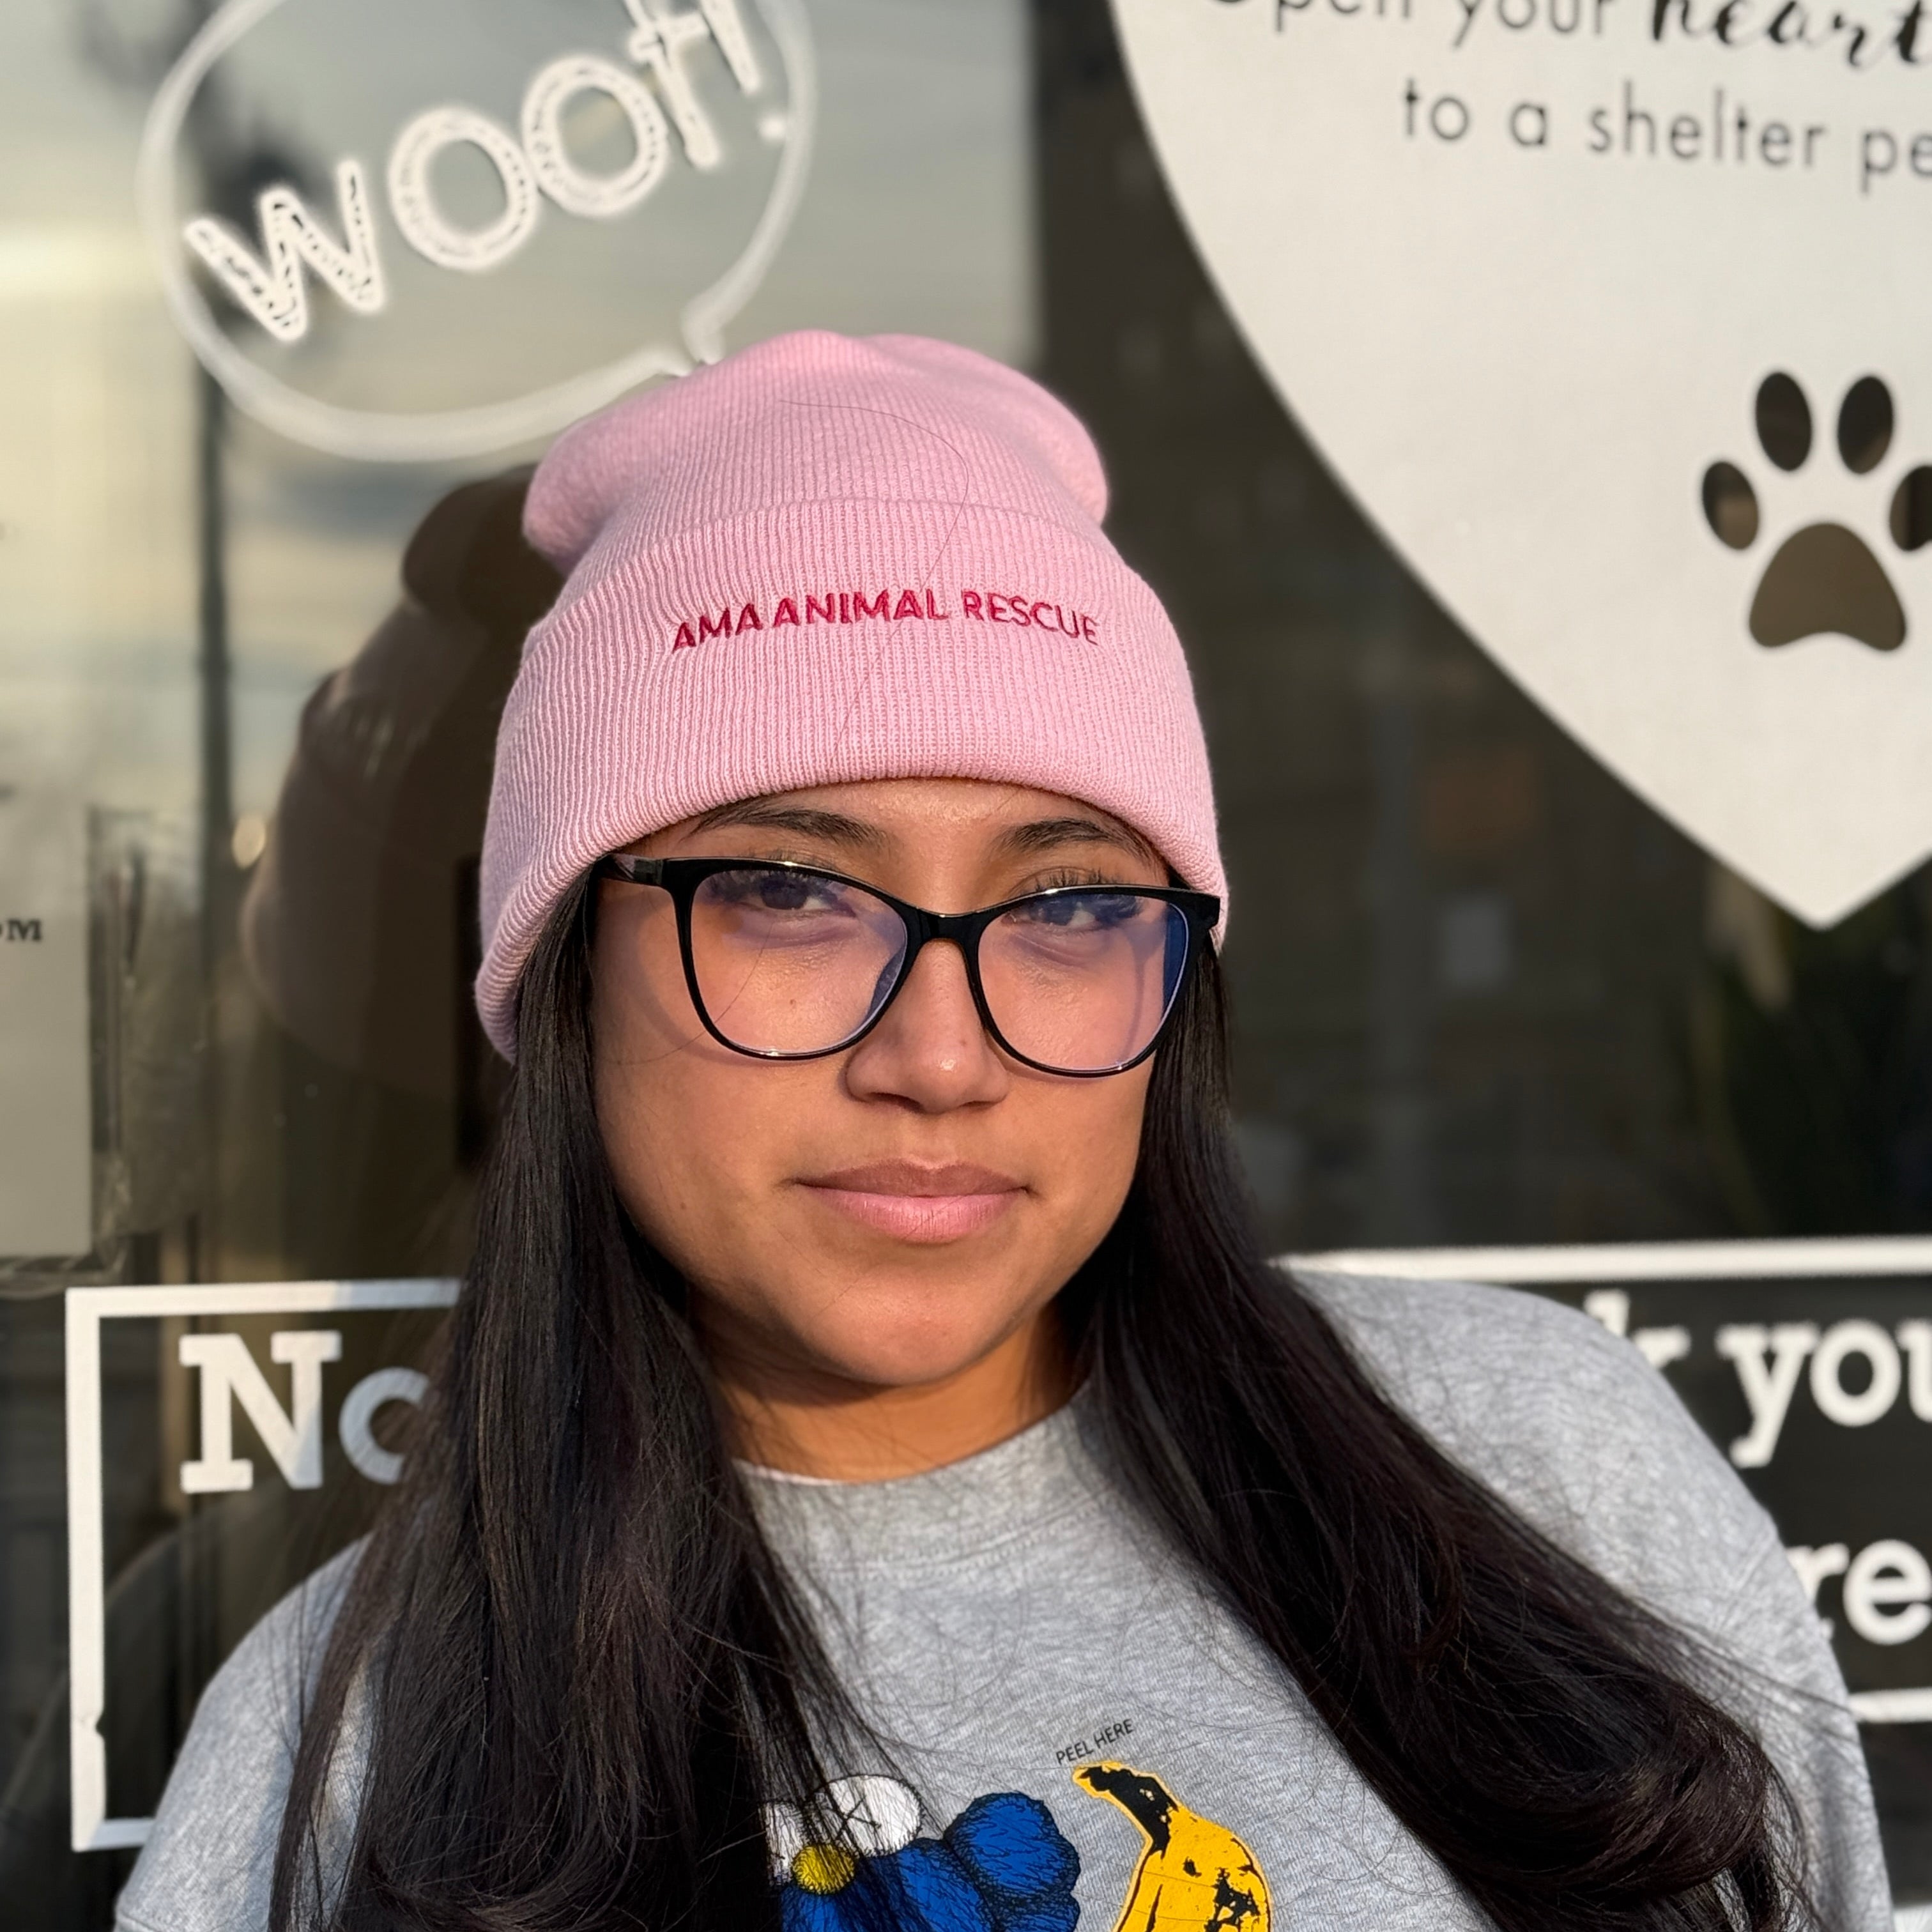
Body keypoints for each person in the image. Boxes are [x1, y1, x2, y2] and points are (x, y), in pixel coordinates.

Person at [116, 332, 1889, 1932]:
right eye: (794, 895)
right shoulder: (348, 1743)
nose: (943, 1055)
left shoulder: (1541, 1475)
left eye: (1067, 909)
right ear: (570, 965)